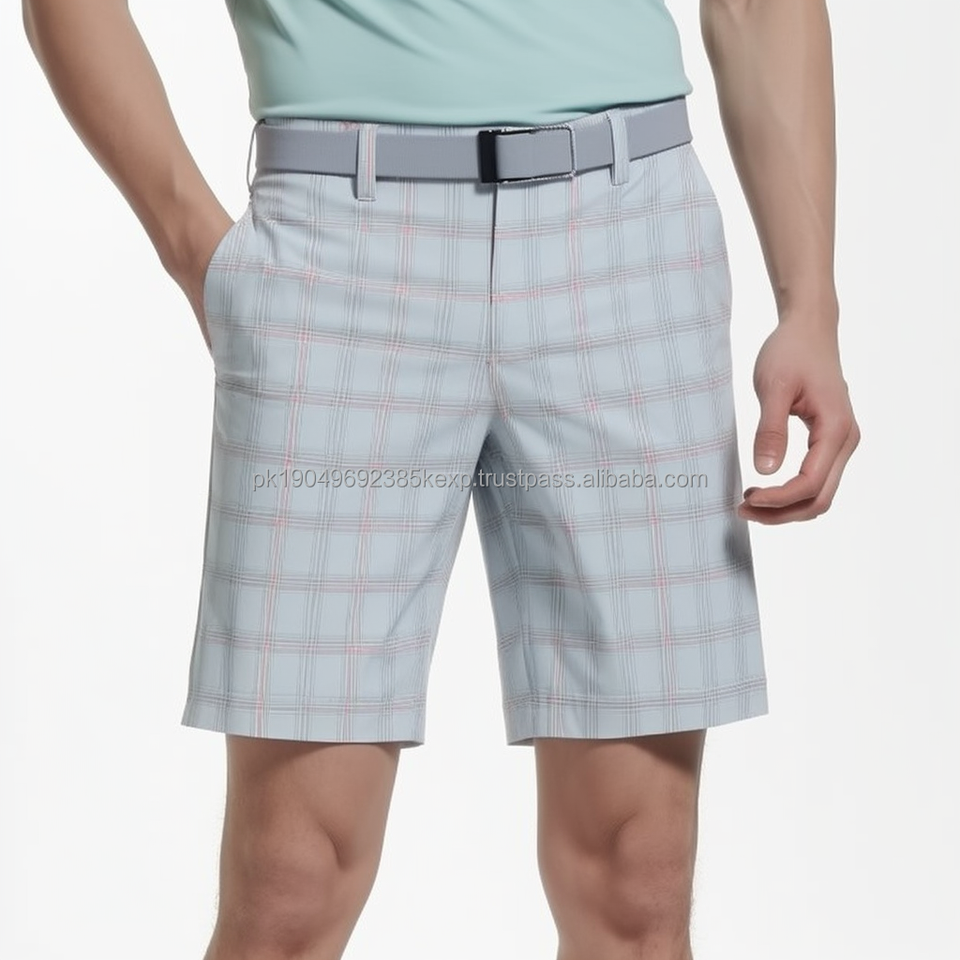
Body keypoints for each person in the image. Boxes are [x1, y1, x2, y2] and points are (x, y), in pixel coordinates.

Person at [22, 1, 859, 958]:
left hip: (627, 232)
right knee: (291, 882)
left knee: (637, 880)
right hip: (337, 247)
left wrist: (811, 301)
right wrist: (192, 245)